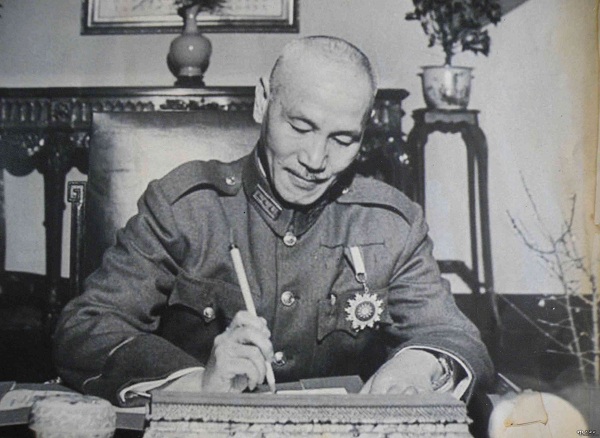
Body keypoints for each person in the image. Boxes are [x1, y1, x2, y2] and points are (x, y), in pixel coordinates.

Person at [53, 36, 493, 406]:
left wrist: (420, 365)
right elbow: (86, 327)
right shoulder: (186, 207)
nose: (315, 160)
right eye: (300, 127)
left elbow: (453, 336)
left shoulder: (391, 224)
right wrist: (195, 383)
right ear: (263, 101)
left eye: (343, 139)